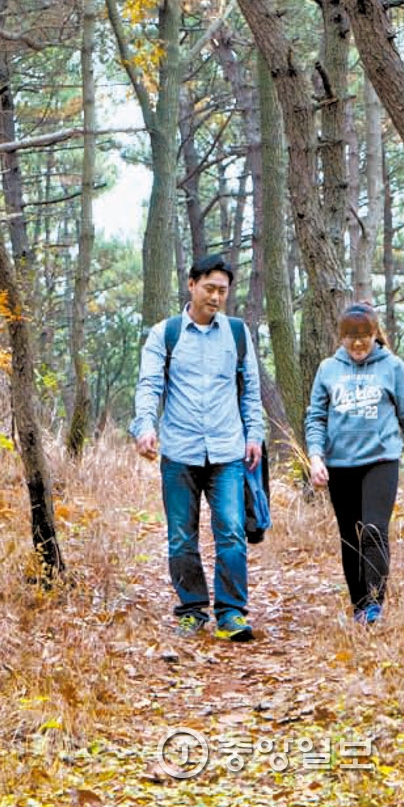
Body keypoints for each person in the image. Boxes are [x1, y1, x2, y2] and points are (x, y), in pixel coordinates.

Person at [130, 253, 264, 641]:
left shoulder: (238, 333)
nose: (216, 297)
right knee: (181, 536)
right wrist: (145, 428)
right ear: (191, 284)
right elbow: (149, 386)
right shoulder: (165, 333)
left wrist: (254, 434)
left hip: (227, 451)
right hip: (179, 451)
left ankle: (231, 613)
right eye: (209, 288)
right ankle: (191, 610)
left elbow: (251, 391)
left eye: (223, 290)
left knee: (232, 532)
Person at [305, 302, 404, 626]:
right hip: (340, 464)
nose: (358, 344)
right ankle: (358, 605)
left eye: (364, 336)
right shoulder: (328, 369)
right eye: (351, 337)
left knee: (373, 530)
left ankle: (374, 604)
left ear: (375, 334)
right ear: (341, 337)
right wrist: (315, 457)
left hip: (381, 460)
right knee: (350, 536)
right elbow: (315, 417)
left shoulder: (393, 367)